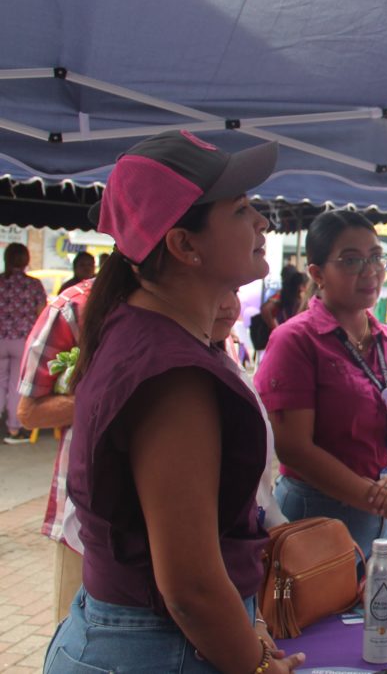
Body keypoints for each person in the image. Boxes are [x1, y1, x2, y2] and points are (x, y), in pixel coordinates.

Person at [44, 129, 307, 673]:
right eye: (239, 209)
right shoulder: (172, 373)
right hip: (155, 649)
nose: (262, 221)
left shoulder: (141, 332)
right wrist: (256, 666)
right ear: (184, 245)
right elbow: (189, 585)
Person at [254, 210, 387, 572]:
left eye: (376, 257)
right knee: (321, 623)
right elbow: (294, 447)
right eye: (351, 260)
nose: (370, 270)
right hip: (320, 518)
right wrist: (374, 496)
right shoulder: (295, 340)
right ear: (316, 274)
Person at [16, 277, 92, 623]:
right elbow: (29, 412)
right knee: (76, 627)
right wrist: (105, 391)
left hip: (181, 514)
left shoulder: (210, 300)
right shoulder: (73, 308)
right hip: (87, 516)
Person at [1, 242, 46, 444]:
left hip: (0, 338)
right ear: (26, 260)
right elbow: (41, 315)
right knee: (15, 385)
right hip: (23, 341)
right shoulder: (34, 285)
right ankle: (14, 430)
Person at [260, 264, 307, 332]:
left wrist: (276, 329)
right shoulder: (297, 295)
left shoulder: (282, 294)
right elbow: (265, 309)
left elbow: (265, 309)